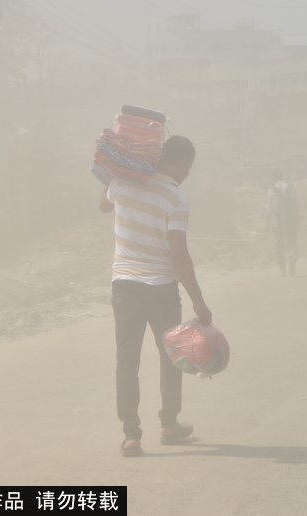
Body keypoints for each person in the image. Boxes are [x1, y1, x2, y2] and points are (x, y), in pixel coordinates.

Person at [98, 135, 212, 457]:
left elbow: (103, 206)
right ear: (181, 163)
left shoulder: (122, 184)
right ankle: (169, 426)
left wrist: (116, 171)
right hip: (161, 288)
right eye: (188, 167)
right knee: (170, 356)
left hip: (125, 286)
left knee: (127, 359)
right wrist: (199, 302)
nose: (187, 172)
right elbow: (179, 257)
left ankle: (131, 435)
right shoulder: (176, 199)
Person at [265, 169, 300, 276]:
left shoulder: (271, 190)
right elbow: (297, 205)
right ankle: (292, 257)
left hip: (277, 223)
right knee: (291, 242)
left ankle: (282, 268)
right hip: (291, 221)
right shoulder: (291, 187)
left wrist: (266, 225)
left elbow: (270, 210)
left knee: (279, 244)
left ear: (273, 177)